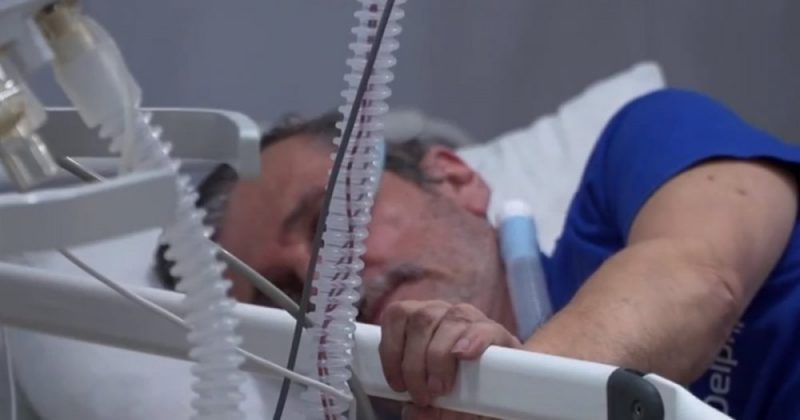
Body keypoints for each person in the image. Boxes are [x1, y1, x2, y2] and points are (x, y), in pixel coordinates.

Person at [156, 89, 800, 420]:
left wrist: (508, 396)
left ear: (454, 177)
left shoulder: (639, 157)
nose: (320, 284)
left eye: (331, 222)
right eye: (283, 291)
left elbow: (698, 277)